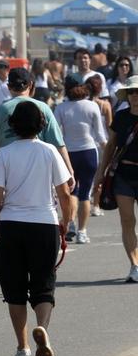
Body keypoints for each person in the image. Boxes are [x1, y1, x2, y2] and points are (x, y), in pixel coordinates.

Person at [0, 101, 73, 356]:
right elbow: (65, 193)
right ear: (42, 124)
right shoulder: (49, 151)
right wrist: (65, 223)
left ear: (12, 125)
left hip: (11, 224)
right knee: (43, 283)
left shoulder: (4, 153)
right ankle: (43, 329)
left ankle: (23, 348)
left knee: (14, 289)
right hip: (44, 223)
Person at [0, 67, 74, 176]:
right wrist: (69, 170)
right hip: (39, 169)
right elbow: (58, 143)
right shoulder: (43, 108)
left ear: (8, 86)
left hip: (8, 170)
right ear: (31, 85)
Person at [94, 76, 138, 283]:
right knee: (127, 220)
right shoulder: (120, 117)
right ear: (127, 95)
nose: (136, 96)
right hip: (123, 175)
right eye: (132, 92)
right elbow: (110, 146)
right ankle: (135, 265)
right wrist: (100, 173)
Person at [54, 77, 106, 244]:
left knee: (72, 191)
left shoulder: (61, 107)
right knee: (85, 193)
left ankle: (70, 225)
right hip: (89, 152)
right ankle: (82, 232)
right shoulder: (92, 106)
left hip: (68, 154)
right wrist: (109, 153)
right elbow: (99, 135)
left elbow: (56, 134)